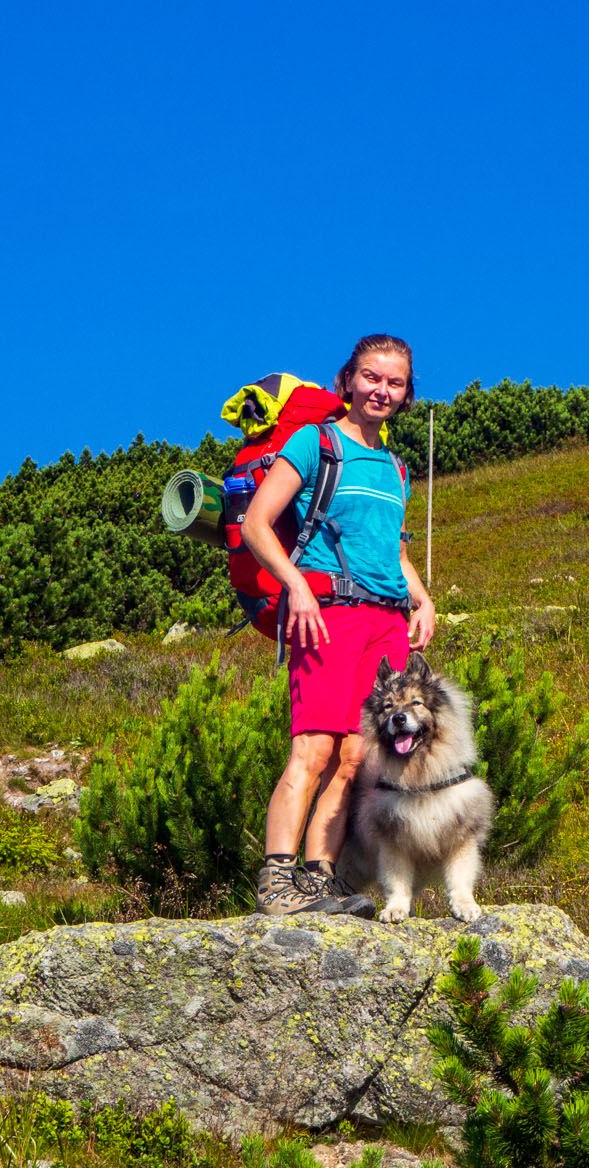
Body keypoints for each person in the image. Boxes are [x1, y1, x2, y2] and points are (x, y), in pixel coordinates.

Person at [240, 334, 437, 915]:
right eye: (371, 377)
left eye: (394, 383)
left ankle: (319, 880)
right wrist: (295, 583)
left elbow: (392, 551)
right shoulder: (315, 444)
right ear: (348, 380)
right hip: (327, 614)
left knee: (358, 756)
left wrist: (422, 600)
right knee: (314, 747)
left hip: (386, 624)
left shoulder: (397, 469)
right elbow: (256, 524)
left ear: (406, 395)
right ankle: (277, 882)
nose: (382, 390)